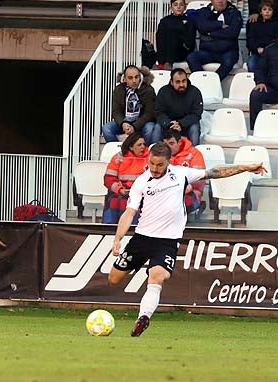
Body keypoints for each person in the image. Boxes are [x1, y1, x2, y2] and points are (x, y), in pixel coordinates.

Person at [108, 142, 264, 336]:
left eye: (160, 165)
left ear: (169, 162)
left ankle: (143, 317)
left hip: (167, 241)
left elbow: (215, 172)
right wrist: (118, 238)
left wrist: (246, 168)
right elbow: (129, 213)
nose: (155, 169)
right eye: (152, 164)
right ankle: (137, 272)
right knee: (114, 279)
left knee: (157, 278)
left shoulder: (181, 174)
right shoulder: (141, 182)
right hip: (142, 239)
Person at [186, 0, 242, 80]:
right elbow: (201, 26)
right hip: (208, 51)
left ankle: (212, 82)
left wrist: (210, 33)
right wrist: (220, 25)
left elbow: (233, 33)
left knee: (228, 62)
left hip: (227, 51)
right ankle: (203, 81)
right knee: (191, 58)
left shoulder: (234, 13)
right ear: (211, 0)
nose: (221, 1)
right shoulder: (204, 12)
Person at [102, 65, 158, 144]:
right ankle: (120, 151)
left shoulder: (148, 90)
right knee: (106, 128)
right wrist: (123, 123)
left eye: (136, 77)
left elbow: (149, 114)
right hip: (125, 121)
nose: (134, 80)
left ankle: (145, 152)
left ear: (140, 77)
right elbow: (116, 111)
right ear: (124, 79)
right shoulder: (119, 89)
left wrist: (135, 126)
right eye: (130, 78)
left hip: (142, 123)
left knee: (149, 129)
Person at [103, 131, 150, 224]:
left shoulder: (150, 158)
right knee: (114, 200)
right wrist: (119, 189)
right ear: (131, 147)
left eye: (144, 144)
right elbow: (108, 178)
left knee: (136, 202)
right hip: (121, 190)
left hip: (142, 192)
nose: (143, 147)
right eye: (139, 144)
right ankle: (110, 229)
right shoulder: (118, 157)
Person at [153, 68, 203, 146]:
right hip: (168, 125)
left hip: (187, 125)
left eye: (184, 81)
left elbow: (197, 113)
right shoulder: (163, 92)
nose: (181, 85)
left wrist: (181, 124)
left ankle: (193, 154)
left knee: (194, 128)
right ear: (171, 82)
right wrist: (169, 124)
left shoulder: (195, 92)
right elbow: (158, 112)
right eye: (178, 82)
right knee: (157, 128)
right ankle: (155, 154)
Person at [164, 128, 206, 214]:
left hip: (189, 192)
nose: (168, 147)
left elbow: (199, 178)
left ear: (179, 142)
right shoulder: (161, 155)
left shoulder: (194, 153)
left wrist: (181, 188)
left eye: (171, 143)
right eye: (165, 144)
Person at [155, 0, 196, 69]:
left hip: (183, 50)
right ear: (171, 7)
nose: (178, 7)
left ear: (185, 7)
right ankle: (161, 63)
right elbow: (159, 38)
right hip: (166, 52)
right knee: (161, 33)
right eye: (175, 4)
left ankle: (168, 63)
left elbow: (190, 41)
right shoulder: (165, 20)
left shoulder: (189, 21)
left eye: (181, 4)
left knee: (172, 33)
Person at [245, 0, 278, 72]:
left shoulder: (276, 24)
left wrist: (267, 49)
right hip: (257, 53)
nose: (267, 11)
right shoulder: (254, 25)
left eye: (269, 10)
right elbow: (250, 41)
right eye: (264, 9)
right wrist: (256, 49)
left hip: (271, 54)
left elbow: (277, 40)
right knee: (251, 64)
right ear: (260, 12)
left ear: (273, 12)